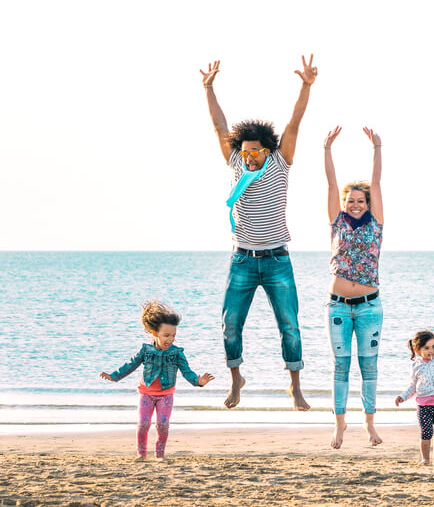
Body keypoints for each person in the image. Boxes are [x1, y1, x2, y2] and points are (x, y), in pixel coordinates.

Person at [200, 56, 317, 411]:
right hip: (242, 260)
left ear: (267, 150)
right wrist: (209, 89)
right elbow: (219, 126)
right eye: (246, 151)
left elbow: (294, 124)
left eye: (256, 151)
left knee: (290, 326)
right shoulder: (235, 162)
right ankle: (237, 379)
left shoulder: (280, 161)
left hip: (278, 258)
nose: (250, 157)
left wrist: (306, 86)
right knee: (230, 324)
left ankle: (295, 386)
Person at [323, 125, 386, 448]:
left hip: (369, 307)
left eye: (361, 201)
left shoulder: (376, 224)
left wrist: (376, 149)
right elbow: (332, 184)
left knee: (369, 367)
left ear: (368, 203)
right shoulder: (338, 222)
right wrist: (327, 149)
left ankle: (369, 424)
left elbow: (376, 183)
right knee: (341, 367)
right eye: (351, 201)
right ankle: (339, 425)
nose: (355, 204)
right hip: (337, 306)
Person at [100, 301, 214, 461]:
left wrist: (198, 381)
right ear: (155, 333)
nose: (171, 339)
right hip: (146, 394)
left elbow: (187, 372)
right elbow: (131, 365)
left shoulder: (177, 353)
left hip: (166, 396)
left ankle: (160, 455)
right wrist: (114, 376)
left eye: (173, 335)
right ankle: (141, 454)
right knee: (144, 424)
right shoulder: (146, 350)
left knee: (162, 424)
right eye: (167, 335)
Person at [395, 312, 434, 465]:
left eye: (433, 346)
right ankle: (425, 459)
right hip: (424, 406)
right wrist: (403, 397)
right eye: (427, 348)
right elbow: (413, 386)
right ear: (418, 350)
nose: (432, 350)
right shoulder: (417, 366)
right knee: (425, 434)